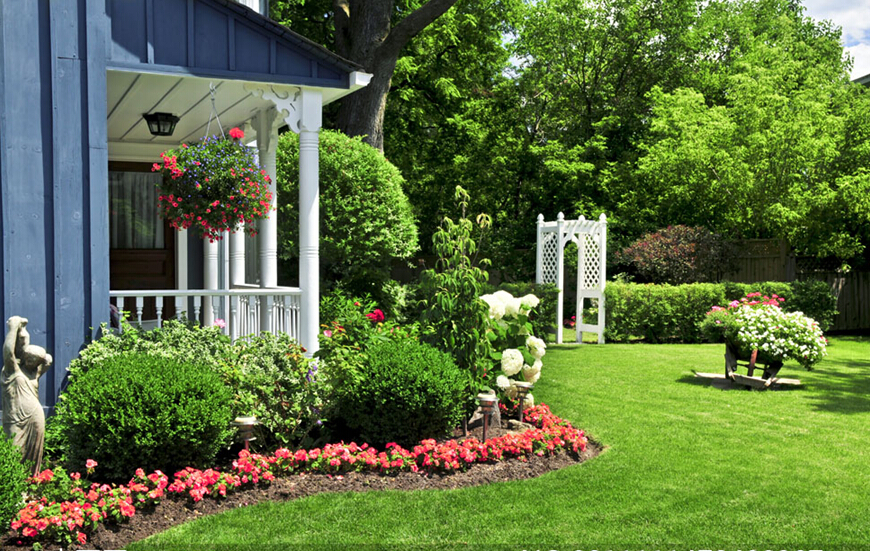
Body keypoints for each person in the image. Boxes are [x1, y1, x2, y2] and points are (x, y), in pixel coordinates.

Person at [2, 316, 52, 474]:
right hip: (15, 418)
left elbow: (48, 360)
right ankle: (14, 490)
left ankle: (30, 487)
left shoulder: (35, 373)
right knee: (13, 453)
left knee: (33, 455)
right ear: (23, 356)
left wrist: (23, 331)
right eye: (29, 359)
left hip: (34, 417)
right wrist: (15, 328)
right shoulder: (12, 371)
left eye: (35, 361)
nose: (31, 362)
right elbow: (9, 351)